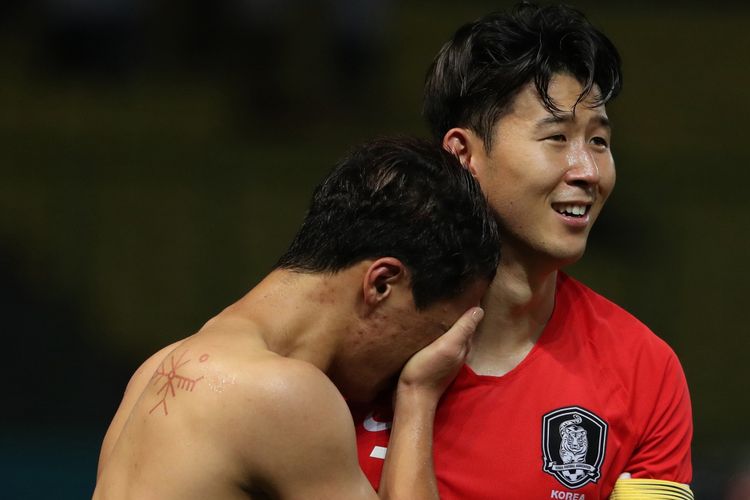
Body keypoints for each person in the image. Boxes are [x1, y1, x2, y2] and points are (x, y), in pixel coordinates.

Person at [353, 4, 694, 499]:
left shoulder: (646, 371)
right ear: (462, 155)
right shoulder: (353, 347)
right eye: (557, 138)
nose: (588, 171)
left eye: (598, 141)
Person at [93, 137, 500, 499]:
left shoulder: (155, 370)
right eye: (439, 331)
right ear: (381, 284)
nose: (434, 351)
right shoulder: (282, 394)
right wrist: (418, 395)